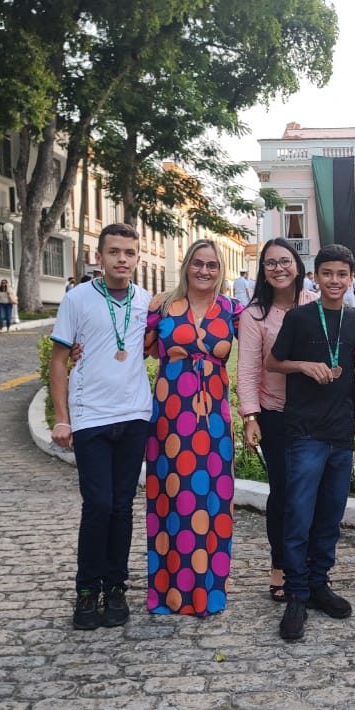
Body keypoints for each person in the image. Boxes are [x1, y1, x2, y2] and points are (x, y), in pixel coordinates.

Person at [48, 223, 151, 630]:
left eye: (129, 252)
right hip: (90, 416)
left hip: (134, 415)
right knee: (98, 505)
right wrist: (62, 418)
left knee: (122, 506)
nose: (122, 259)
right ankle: (87, 590)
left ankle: (116, 588)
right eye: (114, 252)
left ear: (137, 258)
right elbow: (59, 361)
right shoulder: (77, 299)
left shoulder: (146, 300)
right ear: (99, 256)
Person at [267, 243, 355, 641]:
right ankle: (296, 593)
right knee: (299, 514)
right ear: (315, 277)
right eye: (327, 273)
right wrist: (304, 366)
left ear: (352, 278)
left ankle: (319, 583)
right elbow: (272, 362)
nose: (335, 281)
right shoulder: (299, 317)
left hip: (341, 432)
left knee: (329, 515)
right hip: (304, 432)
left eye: (342, 274)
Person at [144, 239, 242, 617]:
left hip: (213, 420)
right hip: (170, 419)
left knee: (211, 500)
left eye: (212, 265)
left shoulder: (232, 310)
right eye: (198, 263)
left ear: (220, 270)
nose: (204, 270)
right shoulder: (161, 306)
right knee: (173, 497)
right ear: (186, 266)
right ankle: (170, 592)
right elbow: (132, 347)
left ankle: (207, 590)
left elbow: (266, 342)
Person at [237, 238, 317, 603]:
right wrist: (250, 416)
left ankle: (311, 565)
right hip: (275, 414)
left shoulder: (315, 304)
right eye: (270, 263)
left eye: (285, 261)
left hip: (314, 415)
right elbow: (247, 370)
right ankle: (280, 566)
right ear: (263, 271)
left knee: (314, 493)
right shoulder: (255, 315)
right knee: (283, 493)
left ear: (297, 266)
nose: (278, 268)